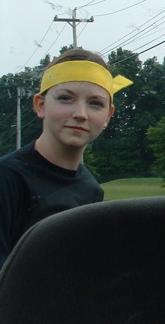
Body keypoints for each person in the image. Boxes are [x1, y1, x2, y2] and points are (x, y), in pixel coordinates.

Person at [0, 49, 132, 269]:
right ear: (40, 105)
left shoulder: (91, 190)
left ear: (108, 116)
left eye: (95, 103)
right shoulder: (8, 178)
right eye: (65, 98)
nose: (80, 113)